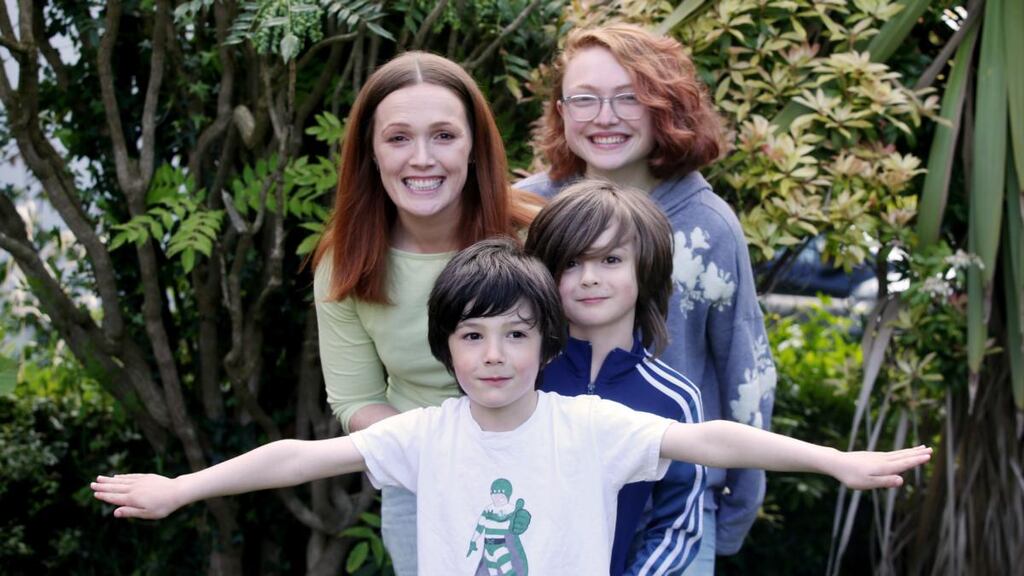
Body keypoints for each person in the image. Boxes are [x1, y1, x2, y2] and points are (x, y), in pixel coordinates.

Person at [91, 238, 932, 575]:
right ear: (447, 349)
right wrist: (180, 487)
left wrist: (835, 461)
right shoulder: (425, 435)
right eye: (472, 337)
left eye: (516, 336)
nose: (494, 355)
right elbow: (300, 457)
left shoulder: (593, 429)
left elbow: (713, 438)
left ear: (547, 345)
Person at [517, 23, 776, 570]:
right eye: (584, 98)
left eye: (629, 98)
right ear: (561, 110)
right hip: (540, 502)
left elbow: (745, 375)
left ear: (667, 107)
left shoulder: (708, 228)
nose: (604, 117)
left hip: (671, 512)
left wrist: (732, 514)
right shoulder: (521, 213)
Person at [310, 50, 542, 574]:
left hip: (543, 467)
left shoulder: (535, 237)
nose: (422, 158)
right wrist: (446, 458)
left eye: (443, 135)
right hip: (421, 478)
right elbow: (356, 399)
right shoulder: (346, 262)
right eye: (398, 138)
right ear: (369, 153)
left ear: (474, 147)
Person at [525, 180, 704, 575]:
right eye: (571, 263)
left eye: (610, 260)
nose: (588, 277)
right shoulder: (520, 377)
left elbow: (678, 523)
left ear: (645, 267)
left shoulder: (673, 398)